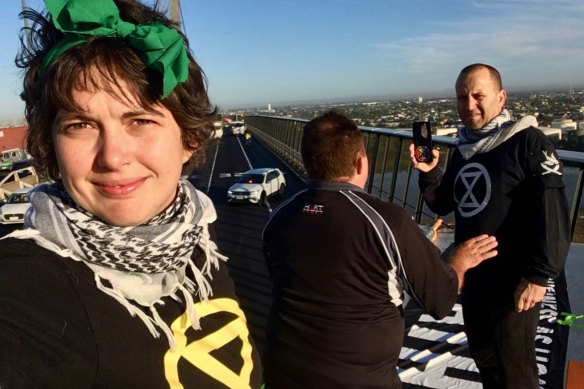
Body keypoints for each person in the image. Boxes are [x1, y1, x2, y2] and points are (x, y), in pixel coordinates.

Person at [0, 0, 262, 387]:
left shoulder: (193, 233)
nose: (112, 156)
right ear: (51, 144)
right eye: (80, 125)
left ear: (188, 137)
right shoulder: (27, 287)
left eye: (139, 120)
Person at [262, 110, 499, 388]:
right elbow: (440, 300)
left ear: (308, 161)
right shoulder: (386, 221)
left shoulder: (279, 217)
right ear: (361, 163)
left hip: (282, 372)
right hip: (361, 380)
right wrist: (458, 261)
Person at [410, 63, 570, 388]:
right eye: (462, 97)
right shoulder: (463, 150)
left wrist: (540, 275)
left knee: (516, 374)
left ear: (501, 97)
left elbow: (552, 210)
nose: (469, 105)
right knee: (487, 364)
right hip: (474, 282)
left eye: (478, 96)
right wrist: (429, 171)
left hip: (513, 286)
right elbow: (444, 203)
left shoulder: (528, 142)